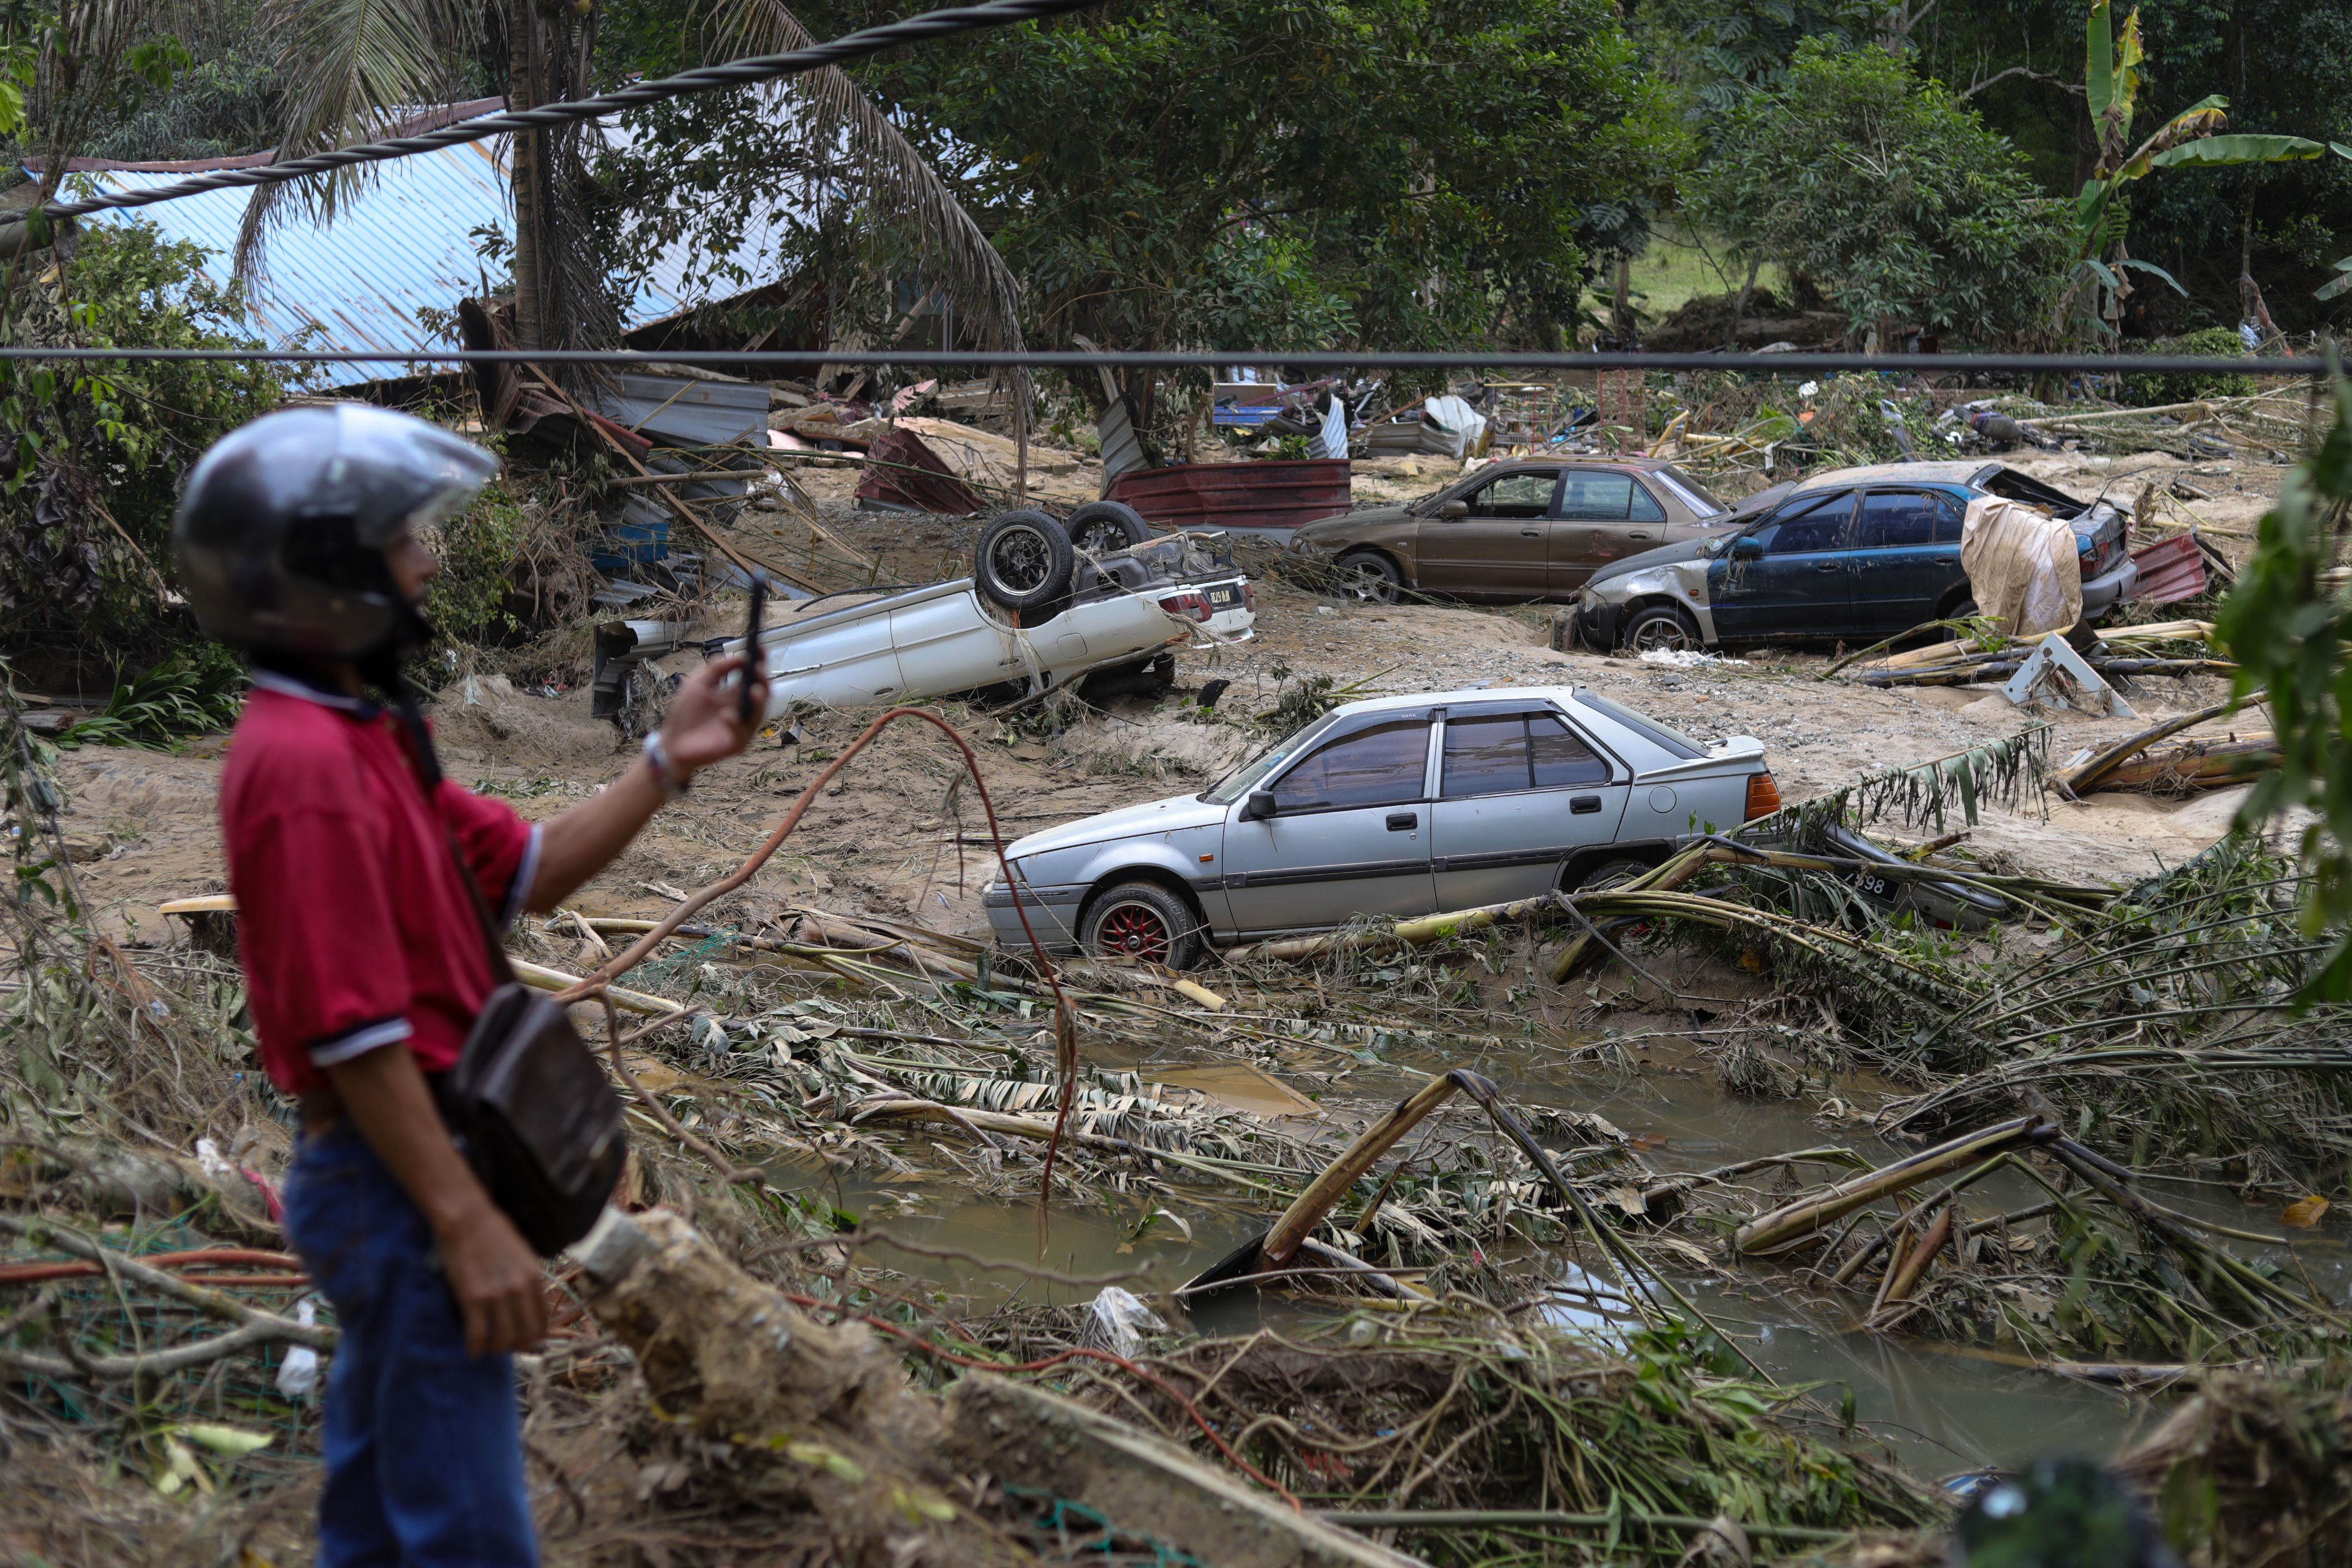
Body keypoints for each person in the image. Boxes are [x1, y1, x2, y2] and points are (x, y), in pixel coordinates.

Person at [173, 404, 766, 1567]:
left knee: (382, 1515)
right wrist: (465, 1222)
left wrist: (668, 759)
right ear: (331, 572)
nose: (430, 561)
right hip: (398, 1185)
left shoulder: (367, 731)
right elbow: (353, 1032)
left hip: (411, 1175)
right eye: (406, 543)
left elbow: (530, 871)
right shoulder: (298, 765)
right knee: (476, 1537)